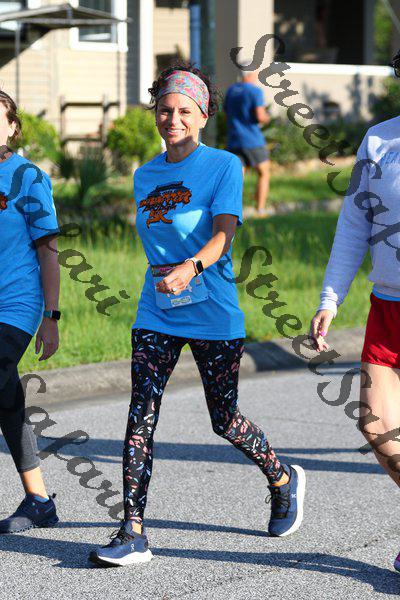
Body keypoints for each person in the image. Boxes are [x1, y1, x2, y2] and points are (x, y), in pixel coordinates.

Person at [89, 63, 306, 568]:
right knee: (140, 415)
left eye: (185, 111)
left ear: (204, 115)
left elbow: (225, 234)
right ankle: (133, 531)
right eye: (165, 110)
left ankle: (281, 479)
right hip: (157, 308)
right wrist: (172, 274)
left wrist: (190, 268)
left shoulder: (225, 165)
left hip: (212, 307)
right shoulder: (144, 174)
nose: (173, 119)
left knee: (224, 420)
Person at [309, 49, 400, 575]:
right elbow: (354, 224)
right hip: (387, 306)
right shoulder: (380, 140)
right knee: (375, 424)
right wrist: (330, 297)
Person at [0, 90, 61, 533]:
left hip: (15, 304)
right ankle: (39, 500)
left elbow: (48, 251)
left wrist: (51, 316)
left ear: (12, 127)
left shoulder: (28, 178)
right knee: (7, 398)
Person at [223, 65, 270, 217]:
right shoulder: (255, 91)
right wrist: (267, 118)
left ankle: (234, 211)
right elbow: (260, 116)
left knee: (238, 178)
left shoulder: (231, 90)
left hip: (234, 140)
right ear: (250, 74)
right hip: (252, 140)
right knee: (264, 173)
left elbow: (226, 114)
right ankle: (260, 210)